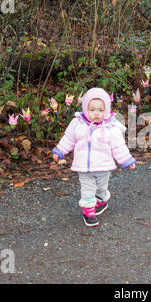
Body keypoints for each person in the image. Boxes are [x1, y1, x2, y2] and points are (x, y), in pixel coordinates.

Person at [52, 88, 136, 227]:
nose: (96, 113)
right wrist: (60, 150)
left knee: (102, 188)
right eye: (92, 110)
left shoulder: (111, 127)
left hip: (104, 166)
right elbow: (68, 139)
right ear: (85, 109)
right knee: (87, 189)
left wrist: (127, 160)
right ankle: (88, 211)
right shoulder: (77, 123)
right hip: (84, 167)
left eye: (100, 110)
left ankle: (102, 200)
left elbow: (119, 147)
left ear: (107, 110)